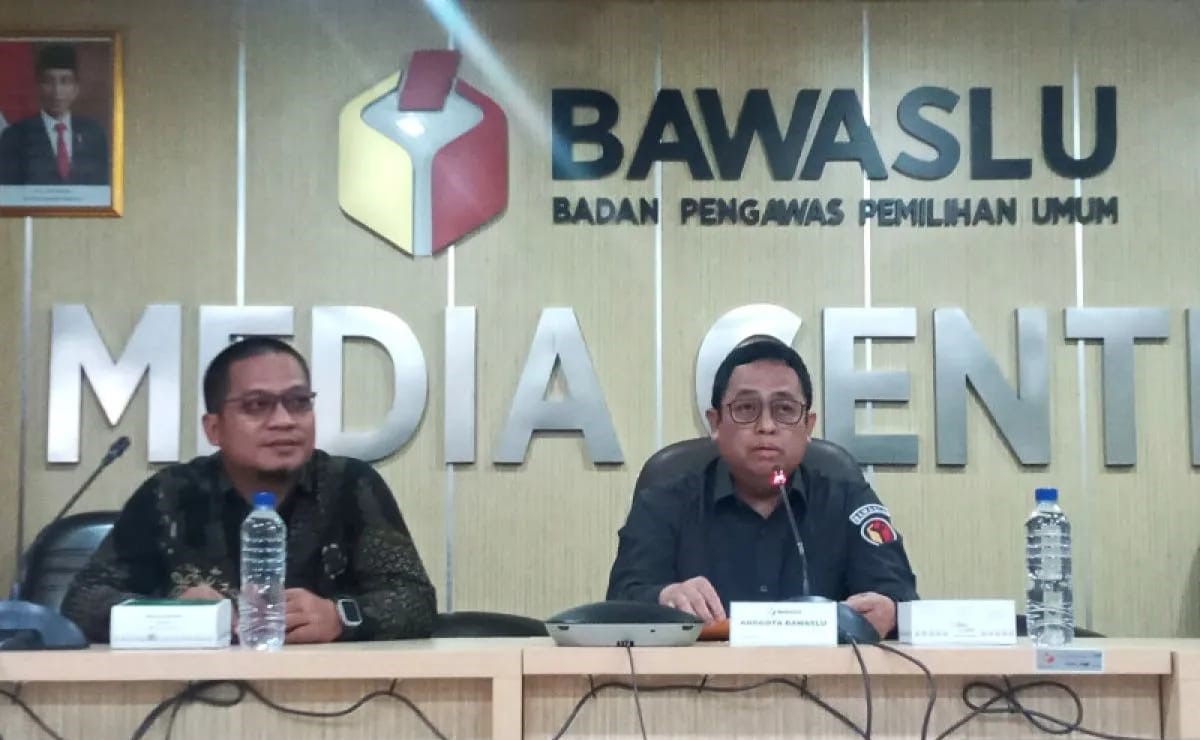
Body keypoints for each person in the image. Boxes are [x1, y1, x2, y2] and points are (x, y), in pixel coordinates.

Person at [61, 337, 437, 643]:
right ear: (214, 428)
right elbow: (82, 602)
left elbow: (415, 601)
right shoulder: (171, 494)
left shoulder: (350, 485)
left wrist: (340, 617)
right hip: (195, 692)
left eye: (299, 403)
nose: (284, 421)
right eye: (257, 405)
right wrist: (171, 612)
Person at [606, 339, 918, 638]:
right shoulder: (663, 503)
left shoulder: (848, 500)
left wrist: (890, 610)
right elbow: (618, 603)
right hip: (699, 673)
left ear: (807, 426)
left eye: (784, 409)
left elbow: (900, 594)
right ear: (715, 423)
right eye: (746, 408)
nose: (766, 425)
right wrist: (664, 596)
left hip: (825, 673)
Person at [0, 43, 110, 185]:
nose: (57, 91)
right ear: (37, 87)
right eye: (49, 81)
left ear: (76, 88)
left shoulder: (94, 133)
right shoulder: (15, 136)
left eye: (65, 81)